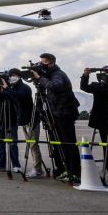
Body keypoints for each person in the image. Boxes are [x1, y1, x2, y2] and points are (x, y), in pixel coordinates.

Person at [29, 53, 80, 182]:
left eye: (43, 62)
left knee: (68, 143)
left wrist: (40, 78)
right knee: (61, 144)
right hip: (57, 112)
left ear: (51, 62)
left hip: (65, 113)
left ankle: (75, 172)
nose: (42, 65)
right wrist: (37, 78)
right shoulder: (50, 75)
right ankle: (66, 170)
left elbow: (55, 86)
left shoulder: (58, 74)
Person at [0, 70, 28, 173]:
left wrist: (7, 89)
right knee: (0, 143)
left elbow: (16, 100)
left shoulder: (12, 89)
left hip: (11, 120)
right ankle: (0, 164)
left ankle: (16, 165)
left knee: (12, 144)